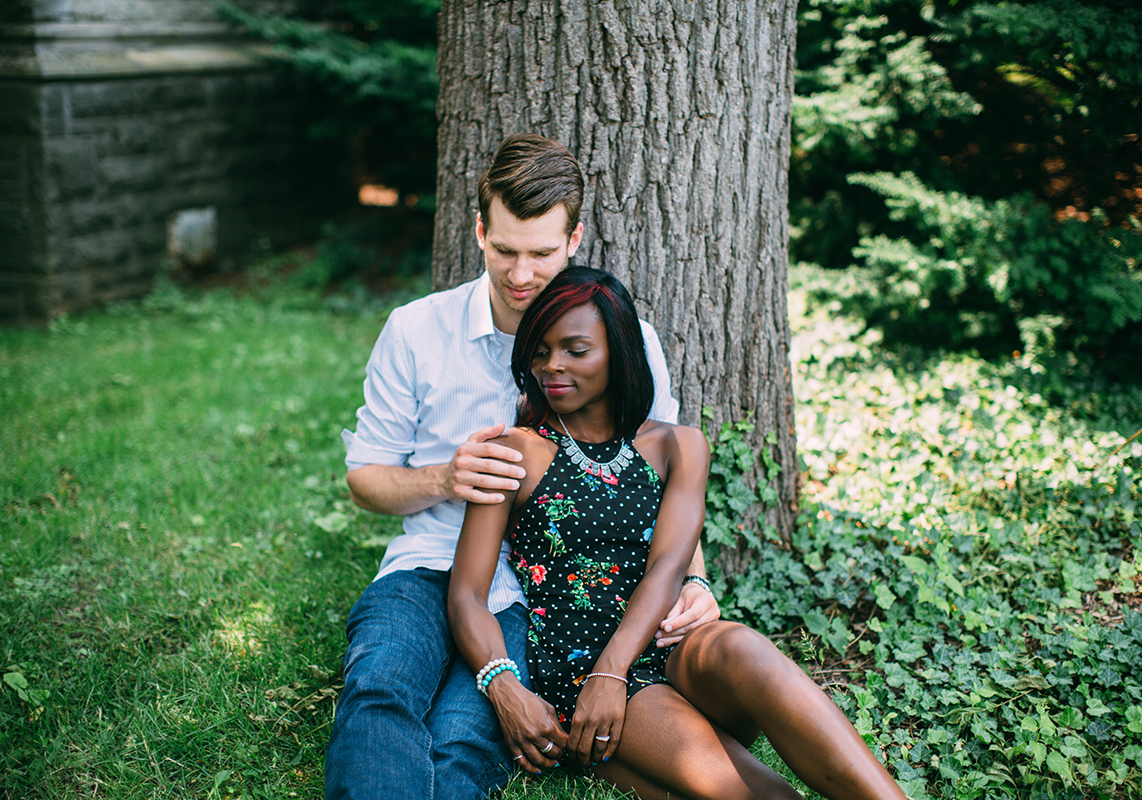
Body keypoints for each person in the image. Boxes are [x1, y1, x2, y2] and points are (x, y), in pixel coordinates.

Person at [326, 134, 720, 800]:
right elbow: (364, 476)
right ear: (479, 232)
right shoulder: (416, 331)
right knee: (380, 686)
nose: (519, 274)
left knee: (465, 736)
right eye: (504, 250)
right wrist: (443, 480)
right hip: (428, 566)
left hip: (537, 598)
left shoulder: (626, 341)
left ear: (574, 241)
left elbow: (657, 484)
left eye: (540, 253)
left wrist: (697, 579)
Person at [449, 267, 908, 800]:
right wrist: (505, 687)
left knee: (746, 648)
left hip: (667, 646)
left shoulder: (678, 446)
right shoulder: (515, 452)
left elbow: (671, 564)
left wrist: (616, 668)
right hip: (582, 670)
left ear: (618, 351)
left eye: (576, 350)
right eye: (541, 349)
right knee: (768, 796)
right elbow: (466, 595)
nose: (552, 366)